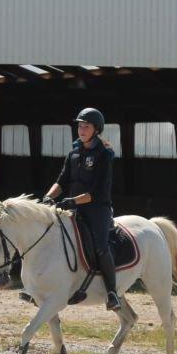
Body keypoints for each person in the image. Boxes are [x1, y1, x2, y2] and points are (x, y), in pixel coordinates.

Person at [38, 107, 121, 311]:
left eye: (86, 127)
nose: (81, 130)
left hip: (97, 209)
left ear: (96, 129)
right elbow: (61, 181)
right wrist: (48, 197)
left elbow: (97, 191)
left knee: (101, 247)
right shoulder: (74, 152)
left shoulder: (104, 154)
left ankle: (112, 292)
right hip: (73, 207)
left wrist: (72, 201)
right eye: (80, 126)